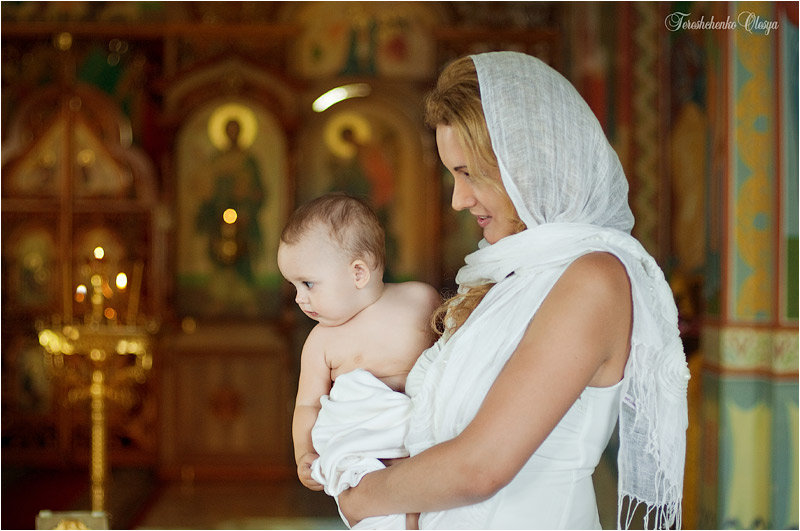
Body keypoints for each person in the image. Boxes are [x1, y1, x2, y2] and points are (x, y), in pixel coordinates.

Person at [337, 51, 690, 529]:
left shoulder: (594, 279)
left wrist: (361, 497)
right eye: (452, 175)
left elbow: (479, 467)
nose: (459, 200)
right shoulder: (510, 276)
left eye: (468, 173)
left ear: (528, 162)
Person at [277, 192, 440, 529]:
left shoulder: (420, 301)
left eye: (307, 283)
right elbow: (307, 405)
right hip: (363, 461)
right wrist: (304, 454)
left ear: (358, 273)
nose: (298, 297)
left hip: (424, 446)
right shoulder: (321, 341)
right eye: (293, 285)